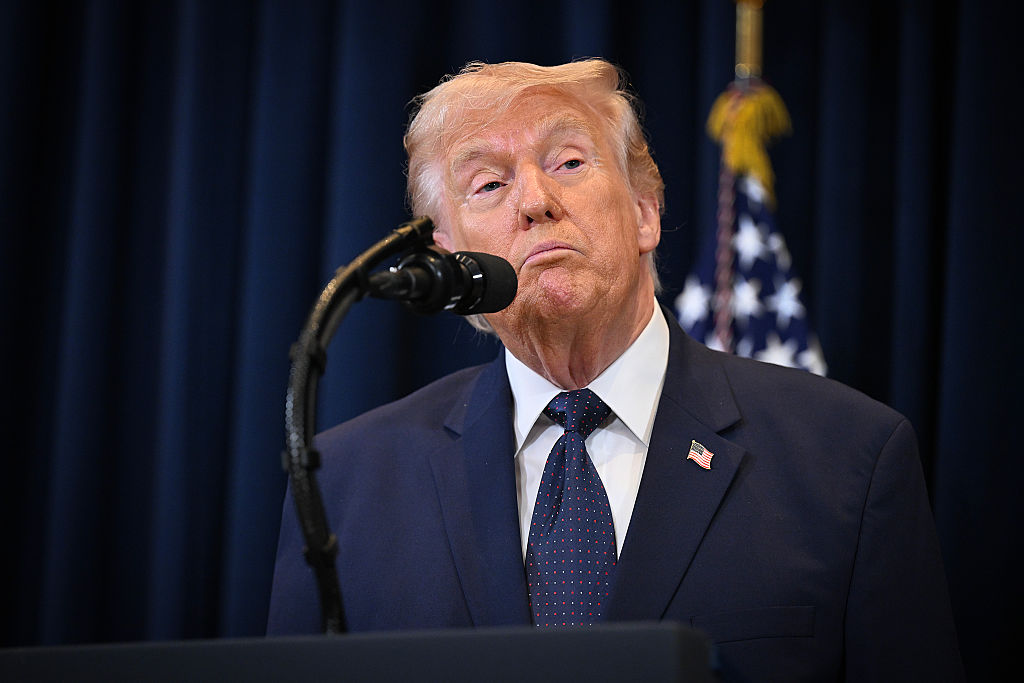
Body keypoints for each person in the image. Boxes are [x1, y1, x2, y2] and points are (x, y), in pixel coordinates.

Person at [267, 59, 963, 681]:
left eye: (568, 162)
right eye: (488, 183)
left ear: (644, 212)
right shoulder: (348, 484)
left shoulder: (850, 460)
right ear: (451, 261)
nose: (534, 200)